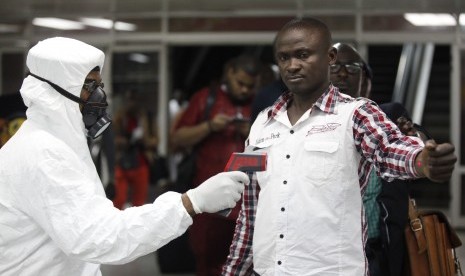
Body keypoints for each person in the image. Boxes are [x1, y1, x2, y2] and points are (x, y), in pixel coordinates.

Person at [222, 18, 456, 276]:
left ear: (329, 57)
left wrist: (423, 162)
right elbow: (250, 211)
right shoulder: (261, 125)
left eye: (302, 55)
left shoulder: (356, 114)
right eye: (284, 58)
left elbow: (390, 150)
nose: (292, 65)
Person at [0, 37, 249, 276]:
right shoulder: (44, 152)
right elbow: (99, 236)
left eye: (99, 85)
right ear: (55, 92)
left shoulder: (56, 142)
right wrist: (190, 202)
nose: (99, 96)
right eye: (88, 86)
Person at [172, 54, 261, 276]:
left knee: (251, 267)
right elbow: (177, 138)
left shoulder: (260, 103)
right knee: (208, 264)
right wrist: (209, 126)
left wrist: (251, 132)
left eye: (249, 86)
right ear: (229, 73)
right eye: (240, 83)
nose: (243, 91)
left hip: (251, 205)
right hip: (209, 205)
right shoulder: (205, 99)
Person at [112, 90, 157, 209]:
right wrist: (124, 141)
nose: (132, 104)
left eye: (134, 101)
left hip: (141, 162)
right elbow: (113, 140)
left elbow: (155, 140)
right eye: (129, 100)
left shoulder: (147, 117)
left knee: (139, 204)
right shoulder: (120, 117)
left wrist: (144, 137)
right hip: (122, 162)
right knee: (118, 200)